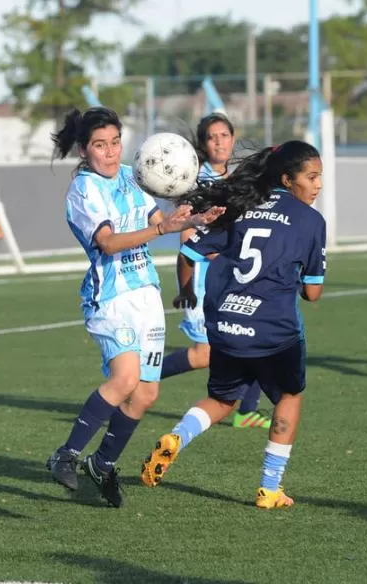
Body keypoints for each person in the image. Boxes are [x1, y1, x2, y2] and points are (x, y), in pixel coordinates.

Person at [45, 106, 223, 508]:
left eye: (114, 142)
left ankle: (102, 464)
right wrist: (162, 228)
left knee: (145, 394)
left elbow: (157, 220)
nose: (109, 152)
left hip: (146, 292)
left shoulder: (133, 176)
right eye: (99, 145)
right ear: (84, 150)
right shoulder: (83, 190)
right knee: (125, 380)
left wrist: (191, 218)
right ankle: (66, 454)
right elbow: (107, 242)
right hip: (109, 296)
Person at [140, 140, 327, 510]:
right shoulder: (311, 220)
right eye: (312, 176)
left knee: (223, 398)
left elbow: (190, 251)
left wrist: (186, 291)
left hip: (226, 321)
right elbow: (313, 292)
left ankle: (176, 438)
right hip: (274, 329)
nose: (318, 185)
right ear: (288, 180)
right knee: (289, 397)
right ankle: (269, 490)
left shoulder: (243, 208)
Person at [160, 113, 271, 430]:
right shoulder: (195, 181)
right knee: (204, 354)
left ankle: (246, 410)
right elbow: (186, 233)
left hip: (234, 275)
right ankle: (142, 376)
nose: (220, 141)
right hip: (204, 275)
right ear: (204, 144)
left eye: (224, 135)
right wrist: (188, 284)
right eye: (212, 137)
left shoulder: (238, 180)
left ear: (233, 139)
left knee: (259, 337)